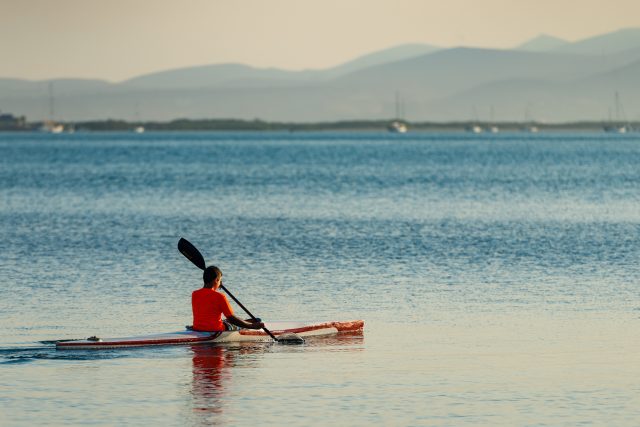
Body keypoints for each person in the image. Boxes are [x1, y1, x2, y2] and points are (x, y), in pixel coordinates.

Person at [192, 266, 264, 332]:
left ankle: (246, 322)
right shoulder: (220, 296)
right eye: (220, 280)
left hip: (197, 328)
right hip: (216, 329)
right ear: (216, 280)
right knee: (257, 320)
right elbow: (231, 318)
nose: (221, 283)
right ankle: (250, 323)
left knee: (227, 320)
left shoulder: (195, 294)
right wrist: (251, 326)